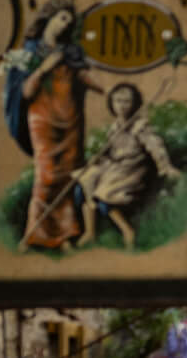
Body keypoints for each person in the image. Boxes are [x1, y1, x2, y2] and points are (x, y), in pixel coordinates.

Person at [6, 0, 92, 250]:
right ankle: (34, 233)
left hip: (70, 121)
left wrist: (109, 91)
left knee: (66, 178)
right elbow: (25, 92)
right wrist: (44, 68)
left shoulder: (71, 52)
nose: (65, 25)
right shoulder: (29, 52)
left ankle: (65, 236)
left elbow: (82, 77)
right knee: (46, 176)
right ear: (49, 18)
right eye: (62, 18)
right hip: (43, 119)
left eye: (69, 22)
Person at [76, 82, 180, 250]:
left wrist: (165, 167)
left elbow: (155, 147)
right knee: (84, 182)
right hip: (114, 166)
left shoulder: (140, 126)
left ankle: (127, 231)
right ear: (112, 104)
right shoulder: (115, 126)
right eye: (117, 101)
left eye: (126, 101)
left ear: (134, 104)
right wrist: (99, 157)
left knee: (103, 194)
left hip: (132, 170)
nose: (121, 106)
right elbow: (111, 150)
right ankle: (90, 232)